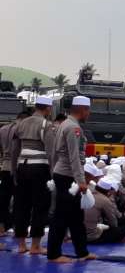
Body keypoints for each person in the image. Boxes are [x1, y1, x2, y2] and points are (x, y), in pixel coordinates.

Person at [47, 96, 96, 263]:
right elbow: (74, 157)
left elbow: (54, 152)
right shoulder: (74, 128)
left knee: (76, 217)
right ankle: (53, 254)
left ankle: (82, 252)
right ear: (82, 109)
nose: (89, 114)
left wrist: (53, 172)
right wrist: (81, 181)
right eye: (88, 110)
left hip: (63, 174)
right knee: (61, 217)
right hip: (69, 177)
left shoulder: (63, 125)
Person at [12, 95, 54, 254]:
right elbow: (50, 152)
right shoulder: (46, 124)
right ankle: (36, 245)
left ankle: (21, 245)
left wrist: (14, 170)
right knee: (40, 206)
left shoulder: (22, 123)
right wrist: (52, 174)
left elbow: (15, 148)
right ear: (48, 109)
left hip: (22, 167)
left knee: (21, 205)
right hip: (39, 169)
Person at [0, 111, 28, 236]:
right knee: (20, 200)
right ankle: (18, 228)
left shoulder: (3, 129)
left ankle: (1, 227)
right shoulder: (23, 129)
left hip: (5, 167)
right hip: (18, 167)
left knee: (3, 199)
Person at [85, 178, 125, 244]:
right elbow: (113, 222)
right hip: (90, 237)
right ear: (108, 191)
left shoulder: (86, 194)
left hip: (76, 234)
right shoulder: (105, 200)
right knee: (123, 229)